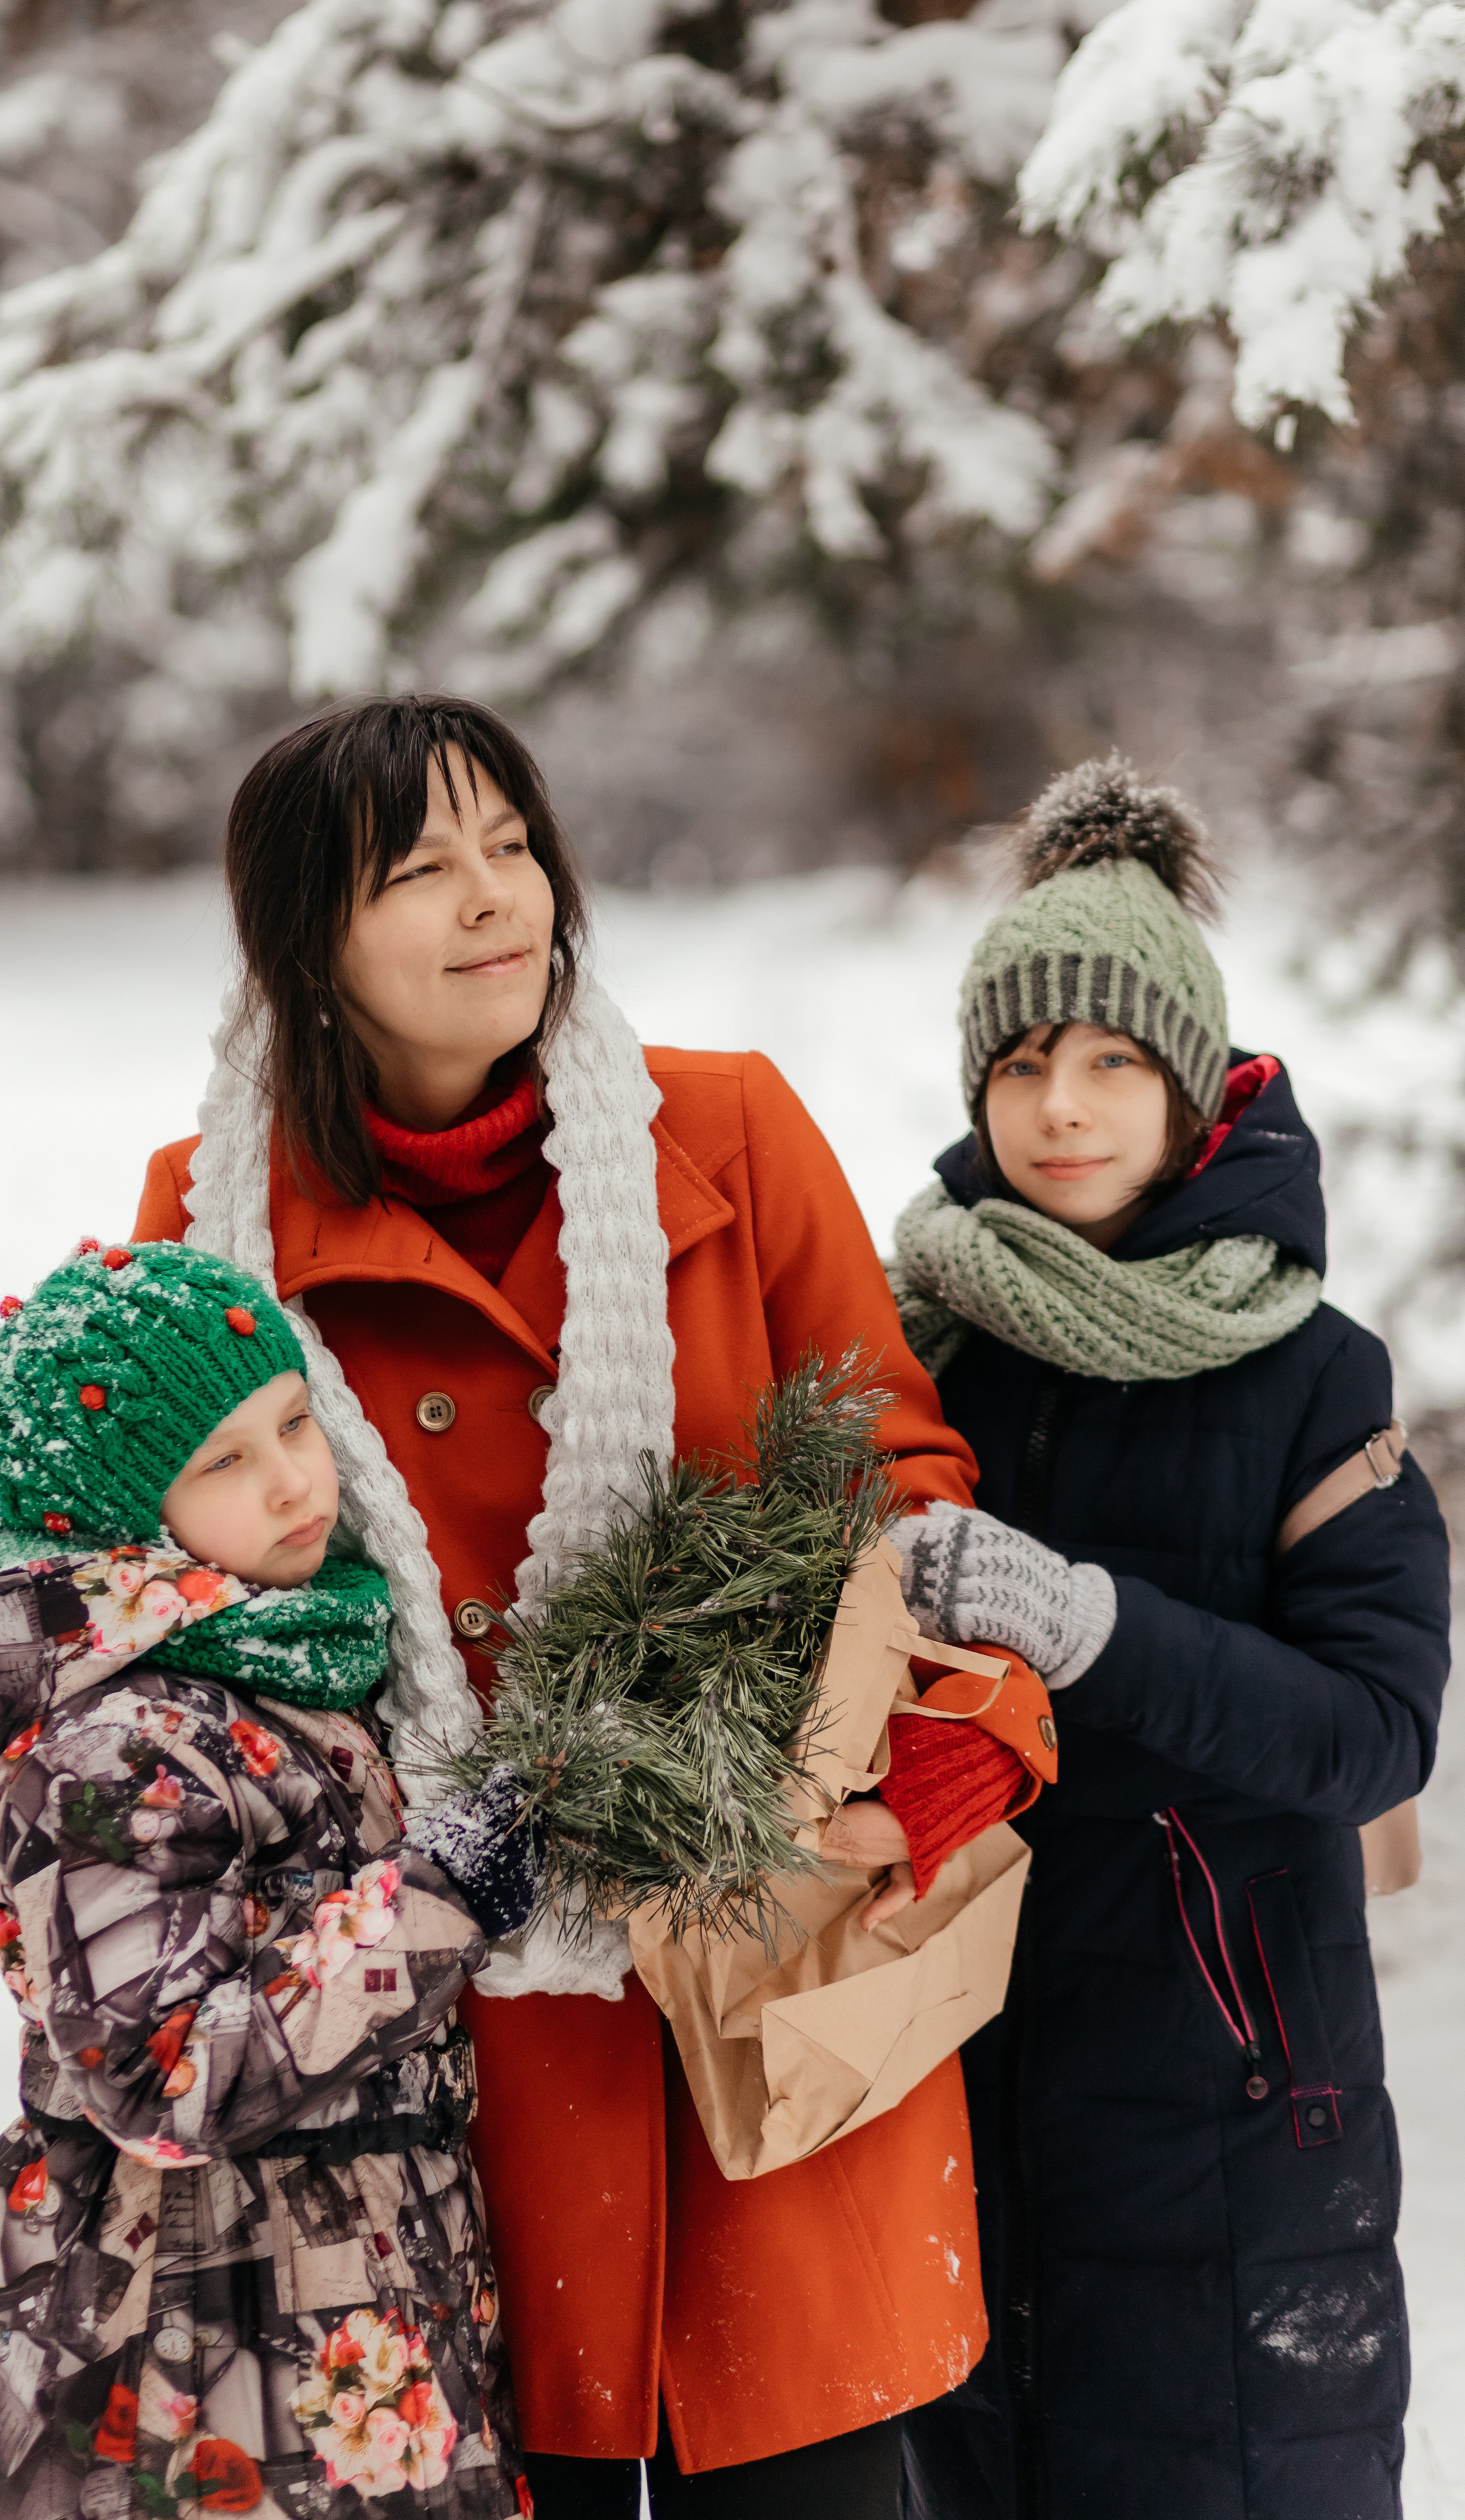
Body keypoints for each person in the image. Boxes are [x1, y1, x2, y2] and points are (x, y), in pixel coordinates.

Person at [0, 692, 1065, 2518]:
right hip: (463, 2070)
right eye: (420, 870)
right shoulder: (211, 1210)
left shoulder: (728, 1131)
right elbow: (118, 1543)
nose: (494, 898)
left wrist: (954, 1744)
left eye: (512, 846)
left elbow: (906, 1488)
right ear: (310, 942)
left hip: (769, 1977)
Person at [879, 757, 1452, 2519]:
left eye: (1112, 1060)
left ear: (1190, 1085)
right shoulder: (917, 1355)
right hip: (953, 2105)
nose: (1059, 1106)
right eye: (1020, 1064)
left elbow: (1371, 1729)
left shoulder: (1312, 1375)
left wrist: (1087, 1628)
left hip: (1236, 2132)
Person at [0, 1236, 542, 2519]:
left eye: (294, 1423)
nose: (291, 1481)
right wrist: (439, 1899)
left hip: (331, 2323)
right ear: (114, 1518)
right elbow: (159, 2072)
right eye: (223, 1462)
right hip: (184, 2353)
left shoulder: (283, 1655)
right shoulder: (119, 1741)